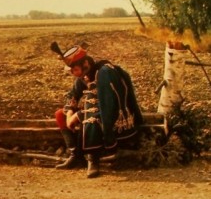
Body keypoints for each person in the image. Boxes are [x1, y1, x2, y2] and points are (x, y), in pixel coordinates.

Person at [51, 42, 143, 178]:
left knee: (91, 120)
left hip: (113, 113)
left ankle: (92, 159)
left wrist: (78, 115)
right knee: (60, 115)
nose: (74, 74)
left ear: (85, 64)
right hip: (94, 109)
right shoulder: (83, 75)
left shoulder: (105, 72)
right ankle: (75, 155)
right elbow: (72, 95)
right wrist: (70, 112)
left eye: (75, 69)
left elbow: (109, 105)